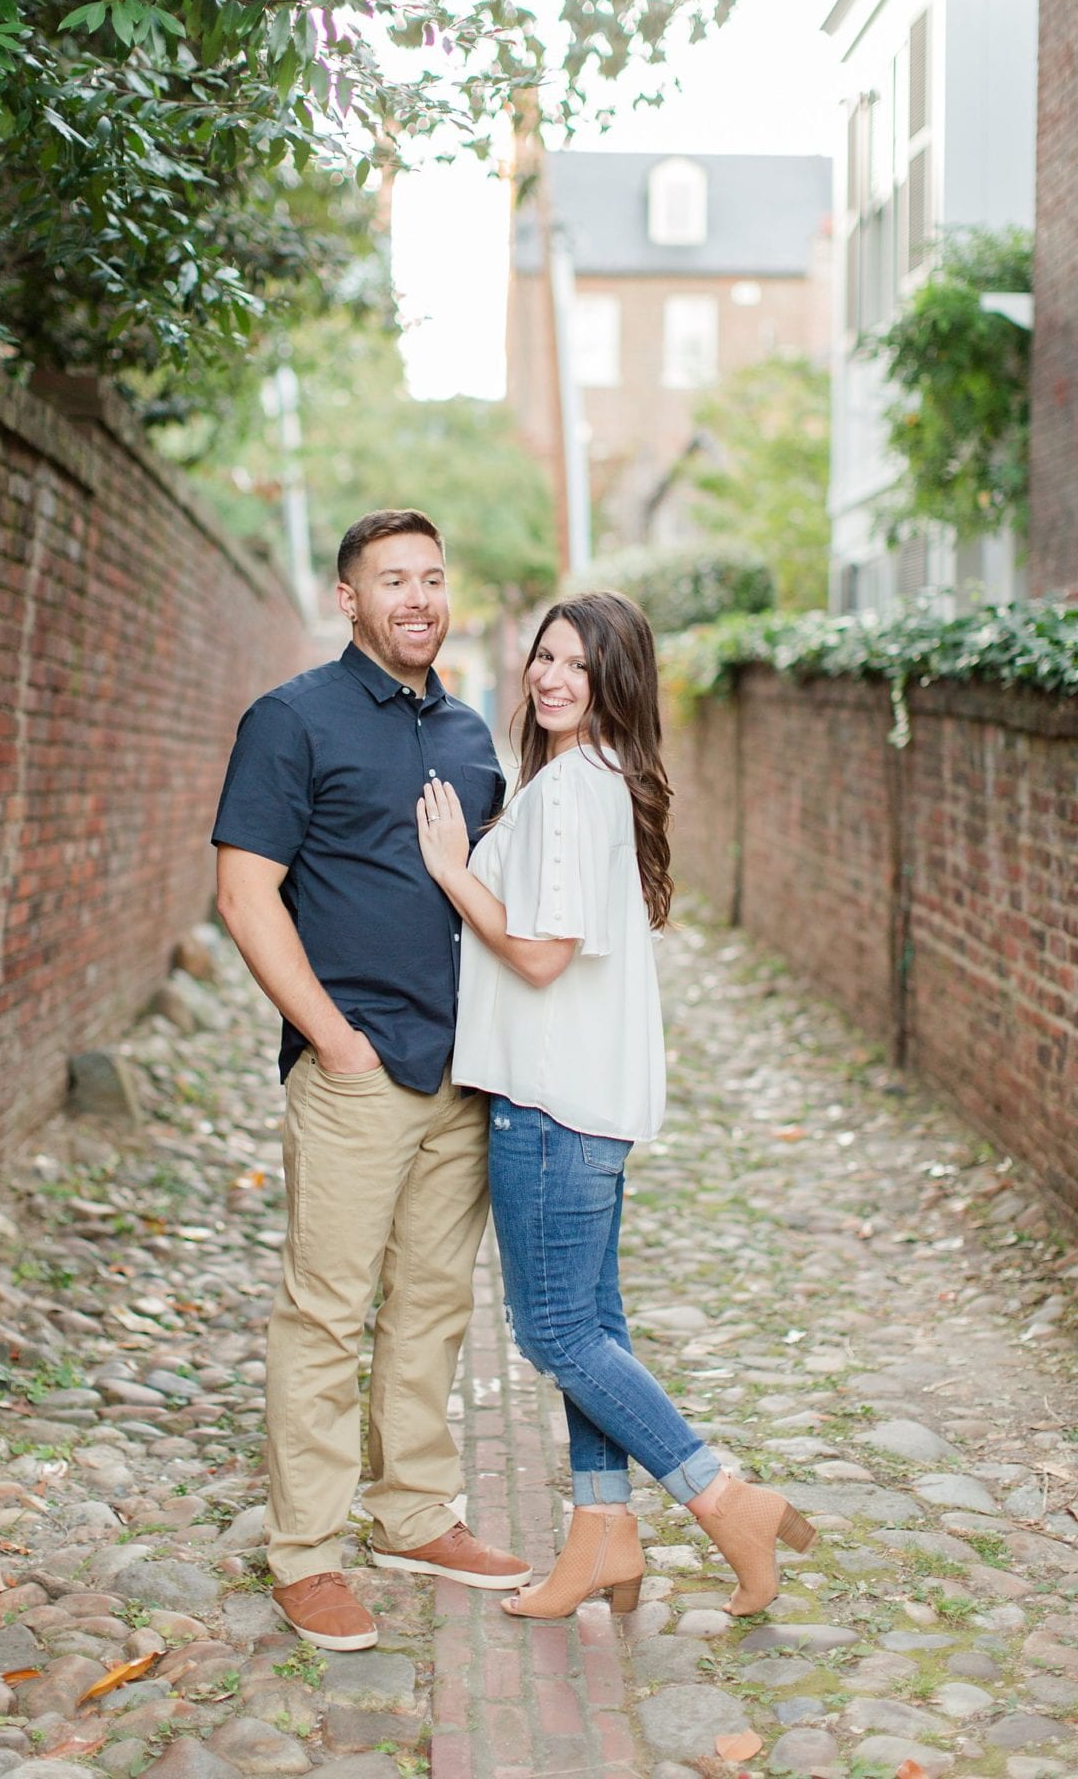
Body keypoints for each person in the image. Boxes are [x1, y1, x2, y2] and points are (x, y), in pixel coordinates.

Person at [416, 590, 816, 1620]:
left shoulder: (564, 795)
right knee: (593, 1325)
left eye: (577, 666)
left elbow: (541, 957)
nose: (551, 678)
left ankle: (725, 1498)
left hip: (550, 1102)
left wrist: (457, 875)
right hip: (589, 1103)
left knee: (556, 1335)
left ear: (614, 681)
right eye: (544, 658)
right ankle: (602, 1534)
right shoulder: (603, 780)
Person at [213, 508, 532, 1653]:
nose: (417, 598)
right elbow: (247, 896)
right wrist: (334, 1041)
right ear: (348, 599)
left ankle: (413, 1514)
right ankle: (306, 1552)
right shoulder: (290, 721)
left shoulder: (468, 736)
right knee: (326, 1312)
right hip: (358, 1075)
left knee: (436, 1304)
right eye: (392, 579)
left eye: (433, 578)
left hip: (461, 1076)